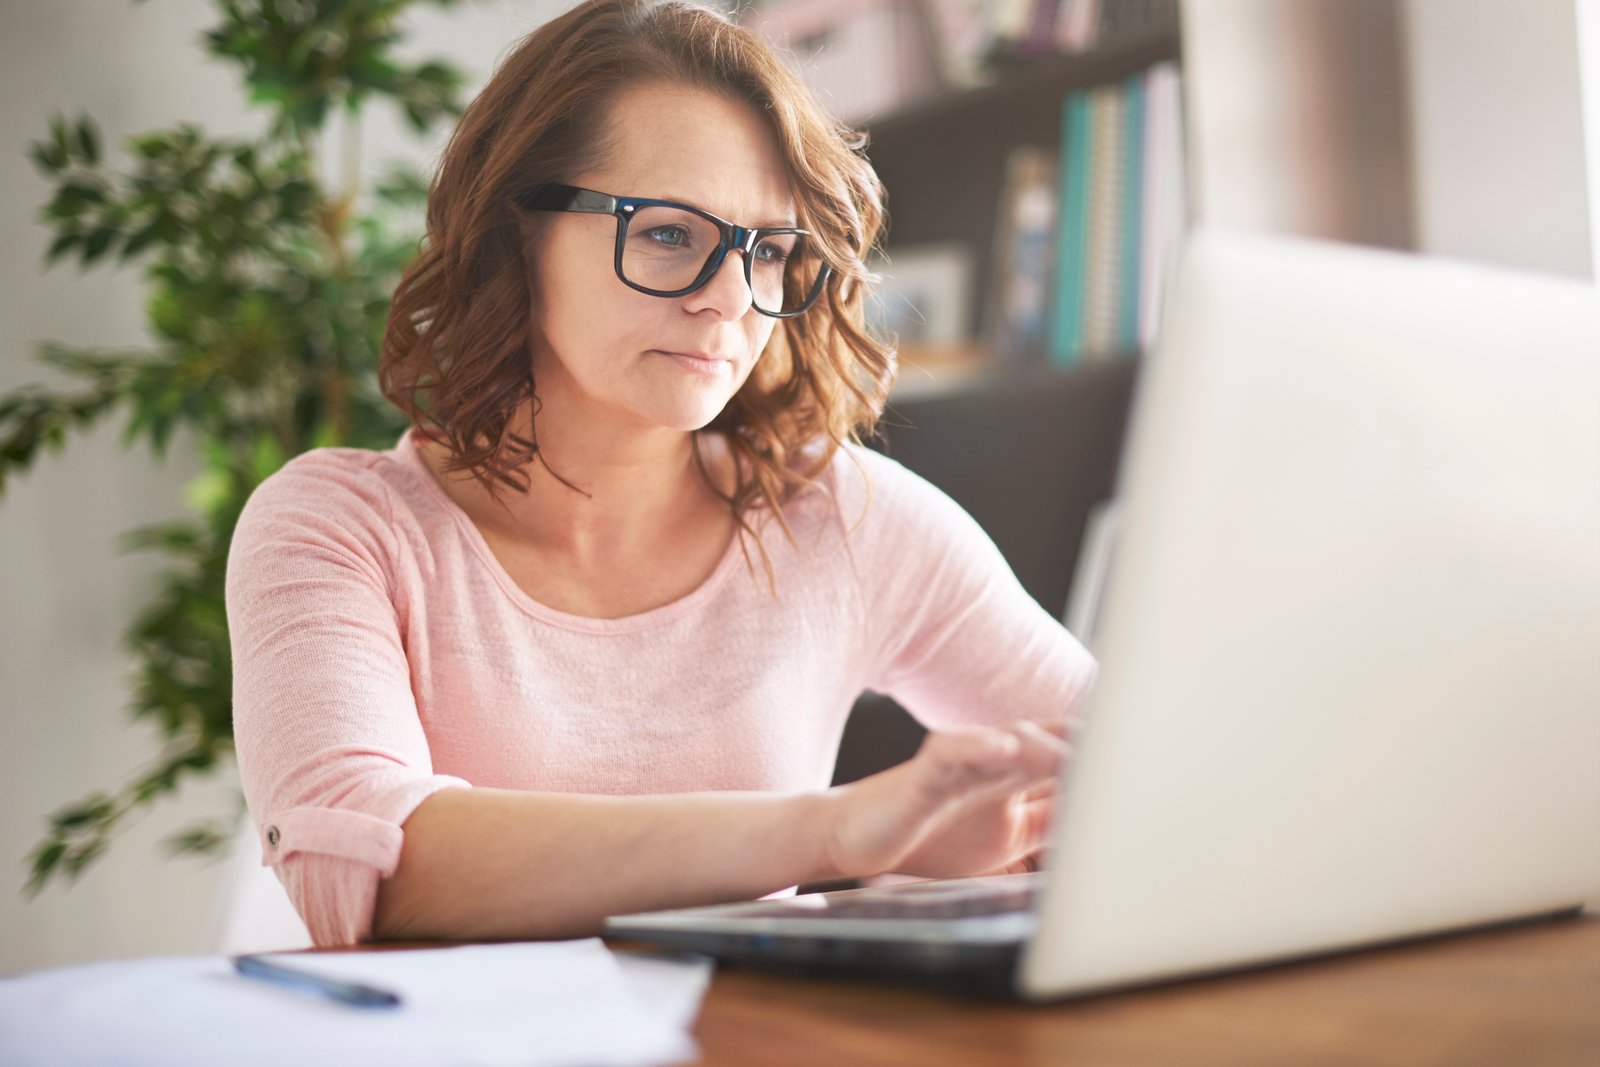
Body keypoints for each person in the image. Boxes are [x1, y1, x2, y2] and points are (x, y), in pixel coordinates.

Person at [228, 0, 1097, 948]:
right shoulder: (337, 526)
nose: (732, 299)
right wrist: (836, 829)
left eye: (767, 248)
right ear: (516, 230)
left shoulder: (841, 515)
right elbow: (375, 874)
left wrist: (967, 854)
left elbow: (1133, 756)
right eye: (671, 234)